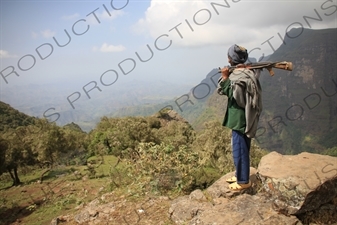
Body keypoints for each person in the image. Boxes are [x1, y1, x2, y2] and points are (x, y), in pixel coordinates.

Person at [217, 44, 262, 191]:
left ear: (231, 59)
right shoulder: (247, 72)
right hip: (245, 116)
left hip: (239, 118)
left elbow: (233, 95)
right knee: (242, 147)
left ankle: (243, 181)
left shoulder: (238, 76)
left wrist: (225, 78)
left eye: (229, 56)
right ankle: (239, 174)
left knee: (239, 149)